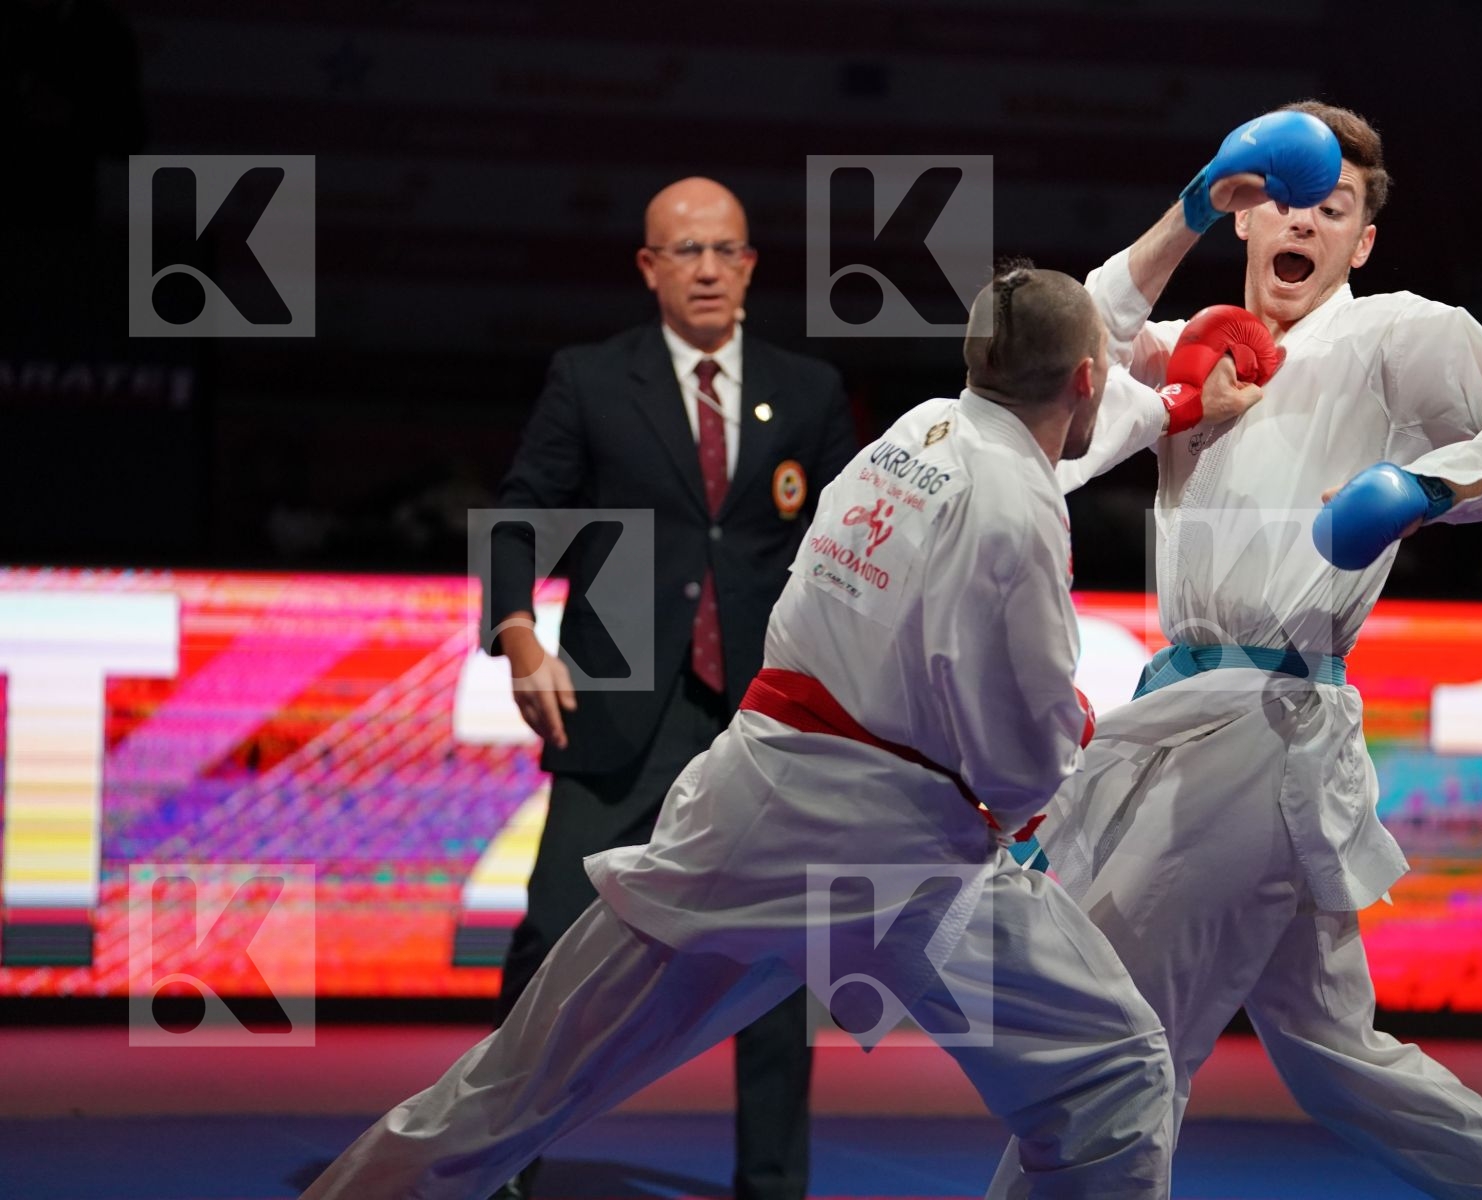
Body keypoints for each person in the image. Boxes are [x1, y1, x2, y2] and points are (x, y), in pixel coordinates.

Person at [301, 264, 1179, 1200]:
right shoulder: (1020, 510)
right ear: (1087, 377)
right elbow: (1018, 760)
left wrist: (1167, 405)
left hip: (749, 812)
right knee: (1110, 1074)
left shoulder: (918, 429)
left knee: (514, 1090)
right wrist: (1066, 741)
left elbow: (1050, 431)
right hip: (894, 853)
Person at [986, 103, 1482, 1199]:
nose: (1304, 223)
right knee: (1338, 1060)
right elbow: (1055, 349)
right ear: (1244, 211)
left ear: (1360, 242)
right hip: (1197, 721)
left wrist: (1426, 490)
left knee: (1116, 1030)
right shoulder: (1201, 347)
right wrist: (1185, 208)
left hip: (1266, 725)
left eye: (1334, 209)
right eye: (1280, 196)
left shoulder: (1393, 333)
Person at [480, 177, 856, 1200]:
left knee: (778, 959)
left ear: (751, 265)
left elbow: (859, 543)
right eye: (683, 251)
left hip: (766, 716)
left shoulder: (809, 391)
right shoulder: (592, 380)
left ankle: (772, 1185)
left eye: (723, 250)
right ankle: (498, 1161)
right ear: (648, 267)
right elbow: (522, 514)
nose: (705, 269)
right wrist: (517, 633)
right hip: (614, 699)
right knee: (555, 933)